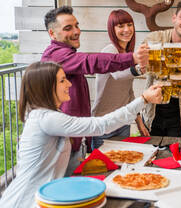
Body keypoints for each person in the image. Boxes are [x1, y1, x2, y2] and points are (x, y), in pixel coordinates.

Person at [0, 61, 162, 208]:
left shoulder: (45, 115)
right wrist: (143, 99)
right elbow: (101, 125)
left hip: (47, 198)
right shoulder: (47, 119)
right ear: (46, 87)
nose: (69, 84)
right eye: (63, 80)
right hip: (26, 202)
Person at [41, 6, 149, 174]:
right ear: (52, 34)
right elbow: (92, 62)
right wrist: (134, 59)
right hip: (64, 141)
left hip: (76, 138)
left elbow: (127, 89)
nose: (77, 31)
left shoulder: (67, 55)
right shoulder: (56, 55)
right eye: (68, 28)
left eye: (77, 25)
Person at [142, 0, 181, 138]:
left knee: (178, 156)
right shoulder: (154, 39)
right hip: (153, 112)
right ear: (174, 18)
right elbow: (142, 69)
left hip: (180, 117)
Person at [91, 9, 149, 150]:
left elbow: (129, 94)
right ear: (112, 29)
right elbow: (118, 74)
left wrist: (140, 123)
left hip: (123, 122)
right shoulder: (109, 51)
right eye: (120, 26)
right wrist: (140, 68)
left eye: (129, 25)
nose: (126, 30)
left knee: (123, 165)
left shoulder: (129, 54)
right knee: (103, 168)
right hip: (103, 123)